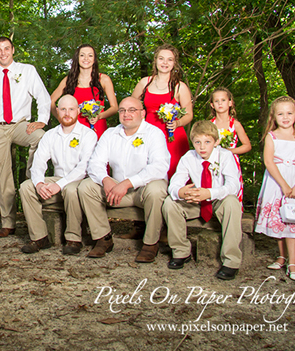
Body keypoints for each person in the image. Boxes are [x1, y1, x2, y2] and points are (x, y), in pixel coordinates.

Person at [0, 36, 51, 237]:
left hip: (19, 124)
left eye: (6, 48)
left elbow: (42, 96)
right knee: (3, 176)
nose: (3, 53)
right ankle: (8, 223)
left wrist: (42, 119)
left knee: (41, 137)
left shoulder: (27, 70)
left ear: (13, 49)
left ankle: (31, 180)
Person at [78, 96, 169, 261]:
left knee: (157, 190)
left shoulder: (154, 133)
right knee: (86, 187)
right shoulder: (110, 134)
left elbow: (160, 167)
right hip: (116, 190)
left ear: (142, 113)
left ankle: (150, 244)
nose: (126, 114)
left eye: (132, 110)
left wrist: (128, 183)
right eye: (122, 110)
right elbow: (95, 163)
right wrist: (106, 179)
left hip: (144, 189)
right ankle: (103, 238)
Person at [163, 121, 242, 280]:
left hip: (219, 200)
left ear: (216, 142)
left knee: (233, 203)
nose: (202, 147)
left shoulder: (226, 156)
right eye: (198, 142)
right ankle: (181, 252)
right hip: (196, 201)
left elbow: (234, 186)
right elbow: (174, 184)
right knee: (170, 203)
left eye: (207, 142)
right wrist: (181, 191)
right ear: (193, 142)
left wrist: (210, 193)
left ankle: (231, 261)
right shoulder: (188, 157)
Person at [19, 95, 97, 255]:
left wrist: (58, 185)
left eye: (71, 109)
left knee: (70, 189)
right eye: (63, 109)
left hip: (79, 182)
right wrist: (40, 184)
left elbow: (84, 167)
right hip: (57, 181)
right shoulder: (50, 135)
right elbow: (38, 163)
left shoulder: (88, 134)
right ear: (57, 111)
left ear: (78, 111)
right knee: (26, 187)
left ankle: (74, 239)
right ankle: (39, 237)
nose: (67, 113)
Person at [255, 96, 295, 282]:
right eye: (281, 113)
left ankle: (293, 263)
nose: (285, 117)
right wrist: (284, 185)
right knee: (280, 219)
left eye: (289, 113)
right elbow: (269, 161)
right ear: (274, 116)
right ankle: (281, 257)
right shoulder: (272, 136)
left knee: (293, 220)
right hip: (277, 182)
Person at [132, 44, 192, 178]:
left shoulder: (179, 87)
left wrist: (178, 123)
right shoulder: (144, 83)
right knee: (148, 173)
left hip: (172, 136)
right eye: (161, 58)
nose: (165, 63)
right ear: (155, 61)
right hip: (148, 134)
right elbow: (130, 107)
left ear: (174, 63)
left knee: (174, 172)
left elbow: (189, 114)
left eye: (169, 59)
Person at [49, 44, 118, 139]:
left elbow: (114, 107)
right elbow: (50, 101)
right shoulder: (68, 80)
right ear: (77, 58)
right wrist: (62, 119)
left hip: (97, 128)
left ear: (94, 59)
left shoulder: (104, 79)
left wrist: (100, 116)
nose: (86, 58)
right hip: (74, 130)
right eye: (82, 55)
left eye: (90, 55)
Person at [209, 87, 251, 206]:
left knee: (231, 188)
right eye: (216, 101)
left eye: (223, 100)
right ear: (212, 105)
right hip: (213, 162)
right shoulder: (210, 124)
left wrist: (229, 151)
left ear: (230, 102)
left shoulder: (235, 124)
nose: (220, 103)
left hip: (231, 161)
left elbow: (247, 146)